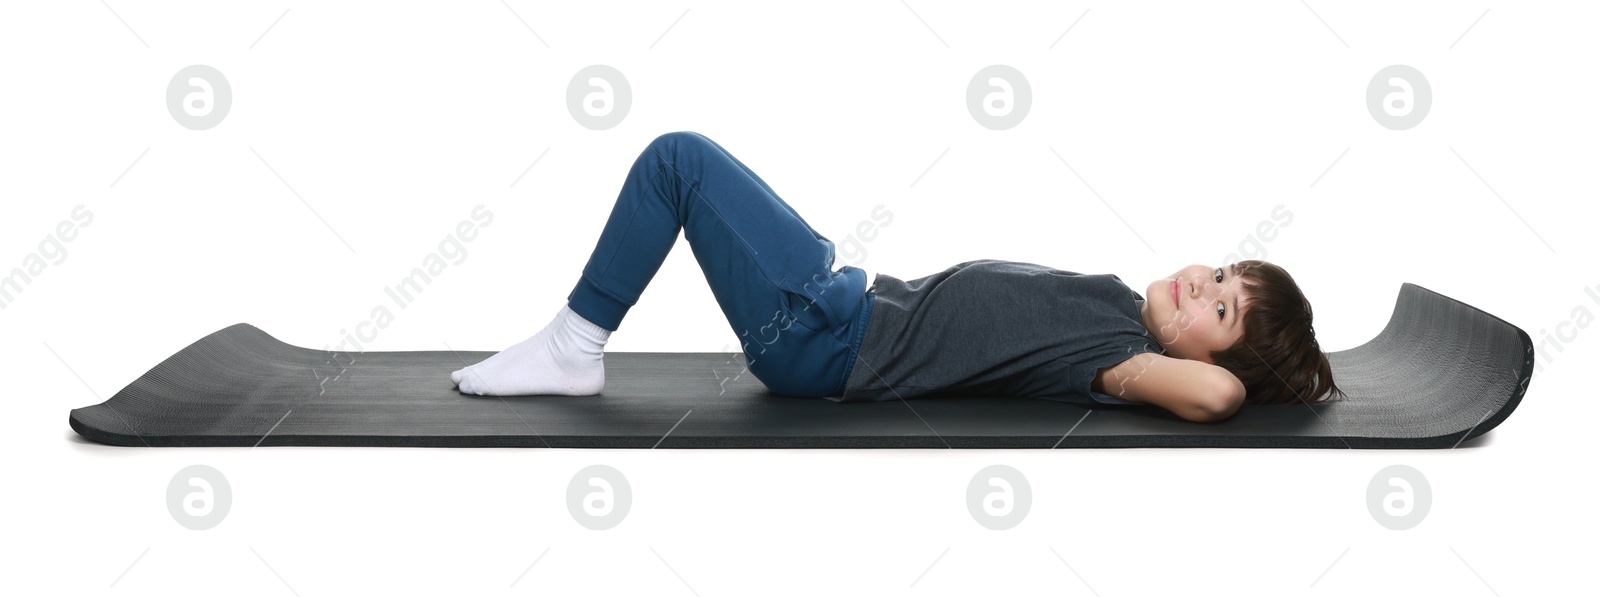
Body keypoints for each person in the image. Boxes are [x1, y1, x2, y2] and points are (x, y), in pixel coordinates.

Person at [449, 131, 1344, 423]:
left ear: (1219, 353)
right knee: (682, 164)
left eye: (1221, 306)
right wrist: (1226, 323)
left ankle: (573, 347)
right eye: (1220, 269)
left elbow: (1216, 397)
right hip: (838, 302)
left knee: (677, 161)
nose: (1201, 282)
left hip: (821, 338)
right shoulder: (1118, 306)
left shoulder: (1119, 357)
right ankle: (571, 344)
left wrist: (1243, 375)